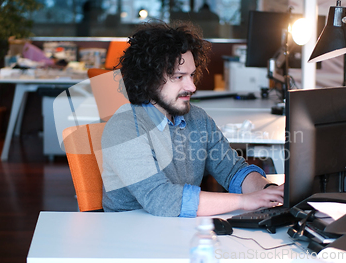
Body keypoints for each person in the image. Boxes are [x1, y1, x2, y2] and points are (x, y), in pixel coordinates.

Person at [100, 21, 283, 217]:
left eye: (192, 75)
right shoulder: (124, 128)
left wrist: (268, 192)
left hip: (178, 230)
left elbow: (232, 170)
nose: (192, 87)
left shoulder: (197, 118)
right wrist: (245, 201)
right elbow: (162, 199)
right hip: (127, 236)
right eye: (179, 77)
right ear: (148, 79)